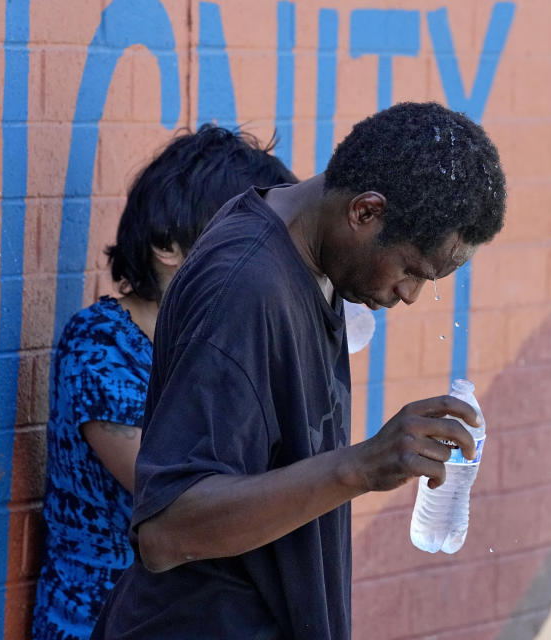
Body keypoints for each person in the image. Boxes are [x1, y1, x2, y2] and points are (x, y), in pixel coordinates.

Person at [92, 101, 507, 640]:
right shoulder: (244, 287)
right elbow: (167, 530)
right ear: (364, 212)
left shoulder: (317, 261)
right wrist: (359, 467)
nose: (409, 295)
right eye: (410, 269)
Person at [32, 124, 298, 640]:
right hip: (102, 621)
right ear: (167, 245)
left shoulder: (224, 341)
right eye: (245, 239)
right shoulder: (102, 345)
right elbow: (181, 500)